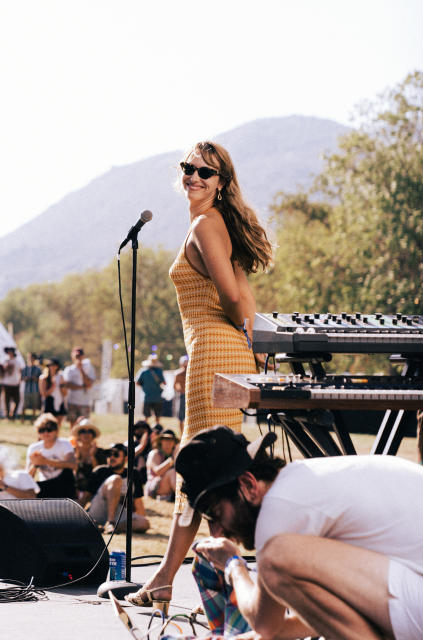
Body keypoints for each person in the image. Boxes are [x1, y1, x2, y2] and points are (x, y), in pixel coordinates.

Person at [127, 140, 271, 609]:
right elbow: (243, 295)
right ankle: (186, 580)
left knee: (203, 471)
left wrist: (243, 337)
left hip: (214, 351)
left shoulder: (207, 224)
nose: (193, 177)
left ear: (221, 184)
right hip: (221, 350)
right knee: (209, 471)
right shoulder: (215, 223)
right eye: (188, 168)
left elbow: (233, 296)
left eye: (205, 173)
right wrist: (250, 342)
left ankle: (208, 583)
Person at [177, 425, 423, 640]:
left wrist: (233, 566)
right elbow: (330, 615)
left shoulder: (280, 510)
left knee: (274, 559)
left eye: (216, 515)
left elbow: (264, 622)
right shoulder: (306, 486)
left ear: (247, 485)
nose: (217, 531)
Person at [84, 443, 150, 534]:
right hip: (99, 508)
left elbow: (138, 501)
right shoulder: (100, 471)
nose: (111, 457)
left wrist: (141, 518)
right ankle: (109, 523)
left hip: (118, 512)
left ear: (126, 458)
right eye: (109, 454)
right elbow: (86, 497)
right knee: (116, 479)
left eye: (116, 454)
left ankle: (105, 527)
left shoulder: (133, 473)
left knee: (144, 523)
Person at [26, 413, 76, 499]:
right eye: (42, 430)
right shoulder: (34, 448)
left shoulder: (64, 443)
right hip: (45, 484)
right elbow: (28, 477)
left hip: (63, 484)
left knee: (68, 473)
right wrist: (35, 464)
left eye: (49, 429)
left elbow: (73, 465)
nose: (46, 433)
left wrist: (45, 461)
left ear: (56, 430)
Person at [70, 417, 106, 505]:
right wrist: (77, 457)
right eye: (83, 431)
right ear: (79, 435)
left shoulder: (99, 451)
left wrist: (92, 456)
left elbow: (100, 473)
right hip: (77, 486)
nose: (86, 434)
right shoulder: (73, 450)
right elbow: (71, 473)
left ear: (93, 435)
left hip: (94, 487)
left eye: (90, 431)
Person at [62, 347, 95, 427]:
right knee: (73, 425)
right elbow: (67, 384)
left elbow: (89, 384)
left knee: (84, 425)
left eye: (79, 356)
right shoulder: (69, 369)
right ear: (72, 356)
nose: (78, 358)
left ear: (83, 356)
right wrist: (82, 387)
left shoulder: (89, 368)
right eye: (76, 356)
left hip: (85, 402)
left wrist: (81, 370)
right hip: (72, 401)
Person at [144, 430, 178, 500]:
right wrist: (172, 459)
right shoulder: (154, 454)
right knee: (172, 472)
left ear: (174, 443)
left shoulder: (174, 454)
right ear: (161, 441)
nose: (168, 442)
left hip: (168, 487)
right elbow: (158, 471)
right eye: (165, 440)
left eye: (171, 440)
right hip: (154, 488)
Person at [136, 355, 167, 428]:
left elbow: (137, 382)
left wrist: (144, 386)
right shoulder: (159, 371)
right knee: (157, 417)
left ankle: (145, 429)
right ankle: (157, 429)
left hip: (147, 397)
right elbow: (164, 383)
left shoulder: (143, 371)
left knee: (146, 416)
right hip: (157, 397)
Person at [1, 346, 24, 420]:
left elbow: (20, 372)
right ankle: (7, 415)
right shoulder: (5, 361)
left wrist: (20, 381)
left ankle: (13, 414)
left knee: (17, 400)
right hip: (6, 383)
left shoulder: (17, 362)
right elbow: (1, 372)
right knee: (6, 401)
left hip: (15, 383)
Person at [20, 352, 42, 422]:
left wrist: (35, 378)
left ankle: (33, 419)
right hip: (27, 390)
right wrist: (26, 378)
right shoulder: (25, 369)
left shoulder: (38, 369)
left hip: (35, 389)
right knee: (24, 405)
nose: (30, 360)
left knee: (34, 405)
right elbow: (21, 378)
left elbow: (40, 379)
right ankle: (22, 419)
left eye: (32, 358)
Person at [173, 354, 189, 432]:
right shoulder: (179, 374)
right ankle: (182, 433)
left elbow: (175, 386)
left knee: (182, 417)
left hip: (184, 395)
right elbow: (175, 386)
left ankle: (183, 433)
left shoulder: (178, 373)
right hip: (184, 395)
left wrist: (180, 389)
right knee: (182, 417)